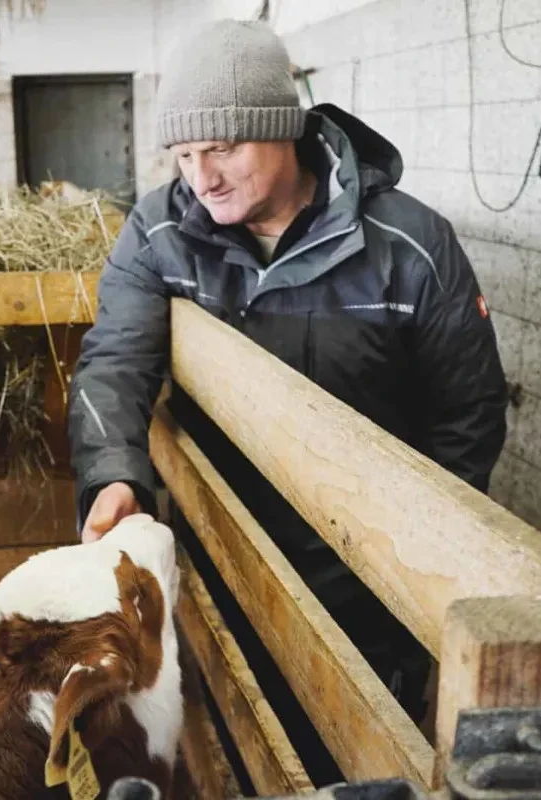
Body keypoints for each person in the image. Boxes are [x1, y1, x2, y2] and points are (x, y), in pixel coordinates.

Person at [67, 17, 508, 784]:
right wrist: (112, 475)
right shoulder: (159, 229)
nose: (199, 177)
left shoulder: (408, 246)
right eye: (182, 154)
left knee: (349, 752)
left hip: (366, 575)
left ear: (282, 131)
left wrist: (416, 568)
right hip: (219, 540)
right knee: (227, 730)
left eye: (221, 148)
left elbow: (466, 415)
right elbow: (115, 360)